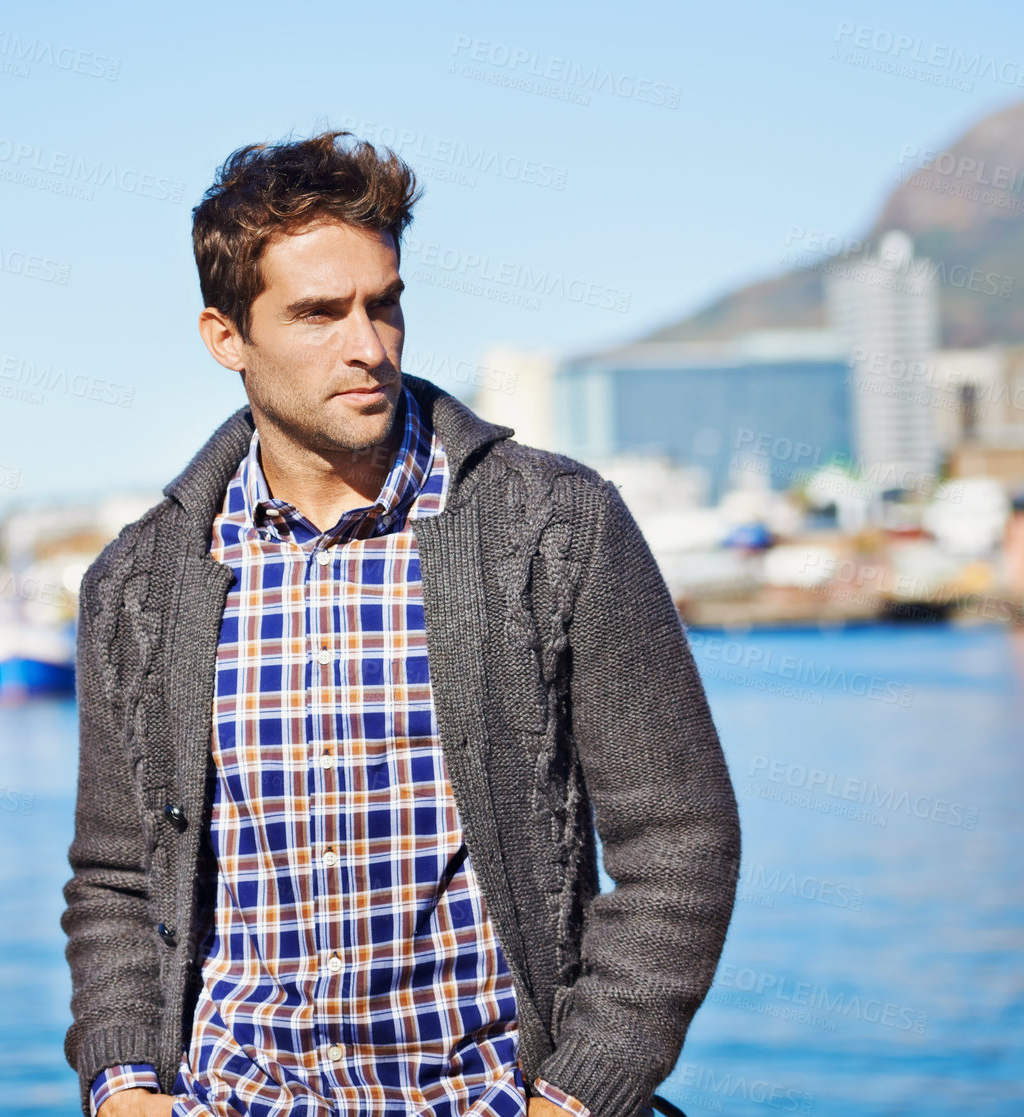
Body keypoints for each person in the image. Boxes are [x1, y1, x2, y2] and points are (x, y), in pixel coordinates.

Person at [62, 130, 740, 1117]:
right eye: (318, 313)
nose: (367, 345)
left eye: (384, 304)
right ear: (225, 338)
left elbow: (679, 834)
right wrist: (122, 1087)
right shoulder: (138, 581)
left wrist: (579, 1095)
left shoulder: (553, 524)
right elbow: (117, 874)